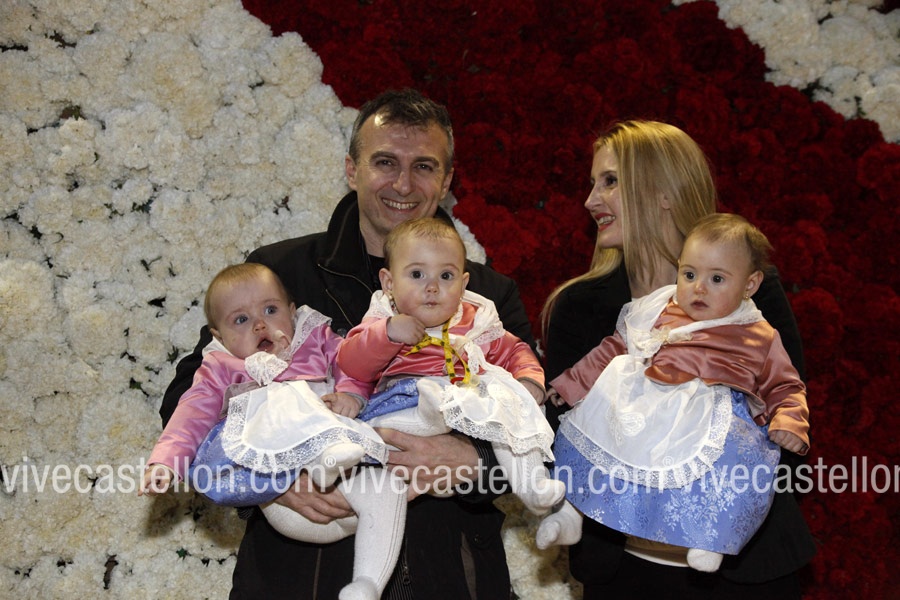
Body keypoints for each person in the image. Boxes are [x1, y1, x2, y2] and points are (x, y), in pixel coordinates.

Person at [160, 88, 531, 598]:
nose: (404, 183)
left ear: (447, 182)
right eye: (385, 162)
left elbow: (538, 423)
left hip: (449, 570)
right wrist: (271, 476)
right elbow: (190, 394)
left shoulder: (487, 295)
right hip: (299, 574)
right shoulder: (279, 273)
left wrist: (472, 460)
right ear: (352, 170)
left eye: (424, 166)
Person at [541, 120, 816, 598]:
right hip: (623, 570)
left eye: (610, 181)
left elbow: (786, 406)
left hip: (743, 571)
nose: (590, 200)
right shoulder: (578, 306)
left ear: (663, 192)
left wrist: (720, 505)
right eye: (592, 183)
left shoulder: (751, 294)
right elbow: (560, 428)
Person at [140, 263, 406, 600]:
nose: (260, 324)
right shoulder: (223, 369)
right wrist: (165, 462)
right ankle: (322, 457)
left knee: (389, 489)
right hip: (289, 503)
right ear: (219, 337)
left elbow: (353, 364)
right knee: (283, 394)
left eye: (270, 310)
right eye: (241, 319)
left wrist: (351, 394)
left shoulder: (315, 339)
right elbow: (189, 415)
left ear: (293, 312)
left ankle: (366, 584)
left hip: (351, 484)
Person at [337, 217, 564, 515]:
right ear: (389, 283)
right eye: (417, 274)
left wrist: (529, 379)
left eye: (446, 276)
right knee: (376, 470)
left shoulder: (477, 322)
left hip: (464, 413)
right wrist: (388, 333)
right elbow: (351, 363)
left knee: (509, 412)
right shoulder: (382, 320)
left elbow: (514, 350)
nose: (432, 287)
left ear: (463, 284)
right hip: (400, 411)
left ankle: (534, 487)